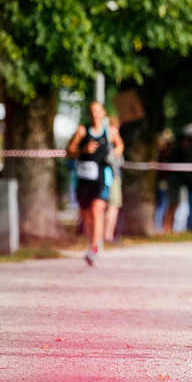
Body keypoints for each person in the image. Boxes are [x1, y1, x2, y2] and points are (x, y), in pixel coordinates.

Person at [66, 101, 119, 266]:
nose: (95, 114)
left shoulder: (110, 131)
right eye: (91, 111)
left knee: (97, 211)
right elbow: (69, 151)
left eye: (97, 111)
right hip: (83, 179)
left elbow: (120, 144)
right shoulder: (82, 131)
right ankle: (93, 243)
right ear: (89, 114)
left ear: (103, 112)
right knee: (87, 216)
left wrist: (117, 151)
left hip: (102, 178)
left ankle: (93, 249)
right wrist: (83, 150)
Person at [103, 114, 125, 243]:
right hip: (111, 175)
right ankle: (108, 235)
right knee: (113, 205)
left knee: (105, 205)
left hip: (107, 175)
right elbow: (119, 148)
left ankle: (104, 234)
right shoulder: (111, 134)